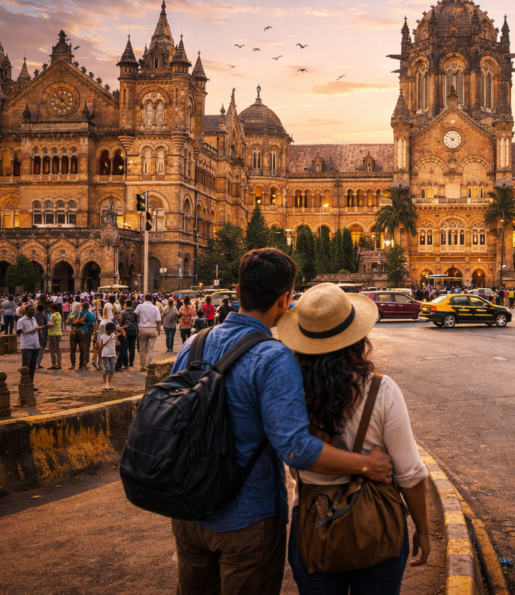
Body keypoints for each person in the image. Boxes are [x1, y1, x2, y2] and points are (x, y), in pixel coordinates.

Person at [169, 249, 394, 595]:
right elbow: (296, 449)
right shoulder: (272, 357)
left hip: (190, 513)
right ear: (286, 299)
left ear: (238, 291)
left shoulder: (194, 345)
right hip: (247, 521)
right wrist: (367, 465)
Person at [280, 282, 431, 592]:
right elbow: (410, 474)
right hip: (377, 525)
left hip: (312, 523)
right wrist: (424, 530)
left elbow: (291, 450)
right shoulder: (381, 390)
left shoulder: (290, 390)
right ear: (356, 336)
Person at [16, 305, 46, 387]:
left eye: (33, 309)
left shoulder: (34, 319)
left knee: (33, 367)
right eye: (30, 310)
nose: (32, 311)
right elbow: (20, 331)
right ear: (25, 311)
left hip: (35, 345)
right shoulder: (21, 321)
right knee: (26, 366)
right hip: (27, 345)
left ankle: (30, 384)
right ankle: (24, 385)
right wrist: (35, 329)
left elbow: (36, 329)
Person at [135, 294, 162, 372]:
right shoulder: (155, 307)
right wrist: (158, 330)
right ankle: (149, 365)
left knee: (143, 349)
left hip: (142, 329)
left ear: (144, 298)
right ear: (152, 299)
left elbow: (135, 315)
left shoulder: (140, 306)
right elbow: (158, 320)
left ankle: (143, 366)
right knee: (150, 348)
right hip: (153, 329)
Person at [68, 301, 96, 370]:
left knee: (76, 348)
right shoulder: (90, 314)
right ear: (88, 307)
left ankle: (74, 364)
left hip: (79, 331)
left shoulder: (78, 314)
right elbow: (93, 324)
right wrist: (93, 331)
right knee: (86, 347)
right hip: (88, 330)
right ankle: (84, 362)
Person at [97, 322, 119, 391]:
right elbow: (101, 345)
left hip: (112, 354)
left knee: (112, 370)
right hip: (105, 354)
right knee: (106, 370)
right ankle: (104, 383)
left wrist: (116, 337)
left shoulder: (113, 335)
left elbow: (117, 344)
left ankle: (109, 383)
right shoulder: (102, 336)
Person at [119, 299, 139, 368]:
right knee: (132, 348)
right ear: (132, 304)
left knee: (125, 348)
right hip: (133, 331)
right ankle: (131, 362)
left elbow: (121, 322)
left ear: (126, 304)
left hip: (125, 331)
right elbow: (137, 322)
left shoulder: (123, 312)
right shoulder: (135, 313)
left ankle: (125, 363)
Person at [46, 302, 64, 369]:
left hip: (53, 334)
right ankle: (58, 363)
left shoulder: (53, 315)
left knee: (52, 350)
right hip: (58, 333)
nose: (49, 308)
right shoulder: (59, 314)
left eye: (50, 307)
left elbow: (51, 324)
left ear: (52, 308)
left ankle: (54, 364)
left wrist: (45, 325)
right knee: (57, 350)